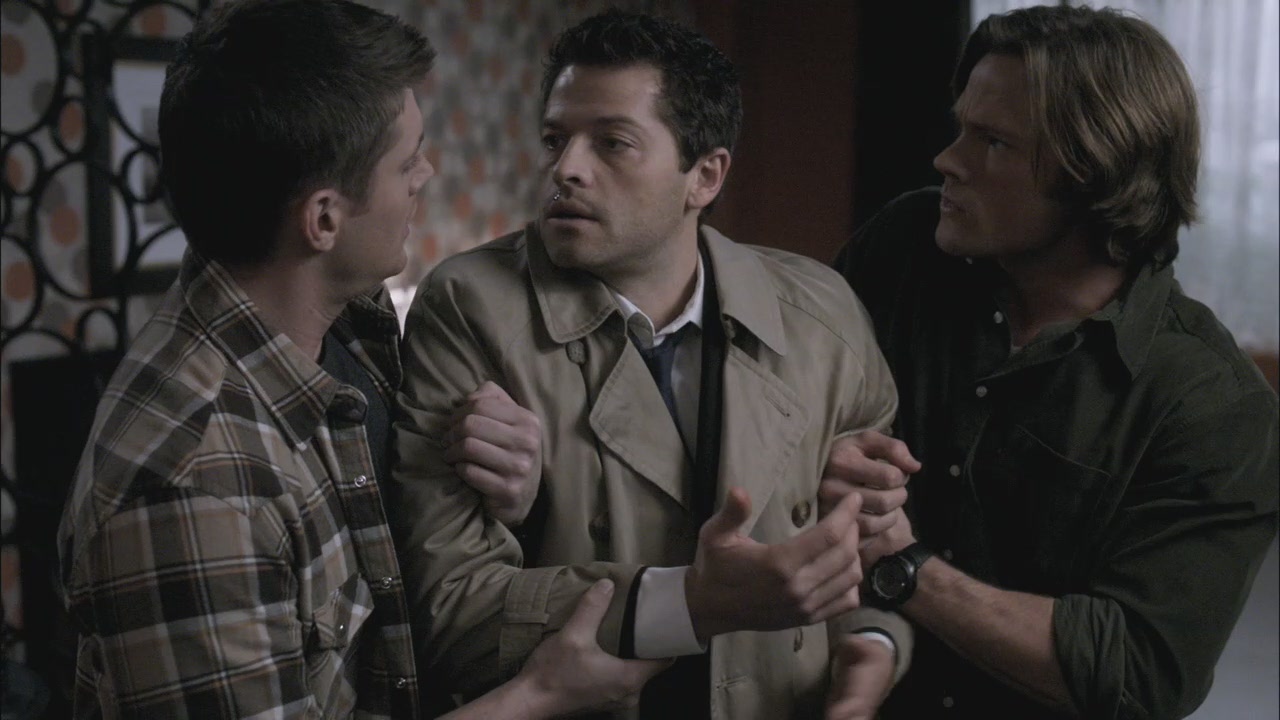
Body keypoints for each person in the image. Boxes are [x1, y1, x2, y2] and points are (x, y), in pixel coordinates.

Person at [56, 1, 667, 718]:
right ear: (323, 219)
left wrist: (507, 500)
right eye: (407, 162)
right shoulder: (194, 488)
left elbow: (399, 582)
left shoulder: (348, 328)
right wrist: (540, 696)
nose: (426, 175)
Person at [390, 10, 911, 719]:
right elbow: (453, 612)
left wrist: (870, 649)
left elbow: (874, 549)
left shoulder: (822, 314)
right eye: (556, 139)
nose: (566, 168)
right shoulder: (470, 306)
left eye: (613, 143)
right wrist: (689, 603)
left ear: (705, 176)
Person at [829, 5, 1280, 718]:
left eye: (994, 142)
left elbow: (1137, 671)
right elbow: (787, 404)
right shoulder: (905, 246)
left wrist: (906, 567)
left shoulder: (1213, 403)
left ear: (1093, 173)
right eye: (961, 128)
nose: (949, 160)